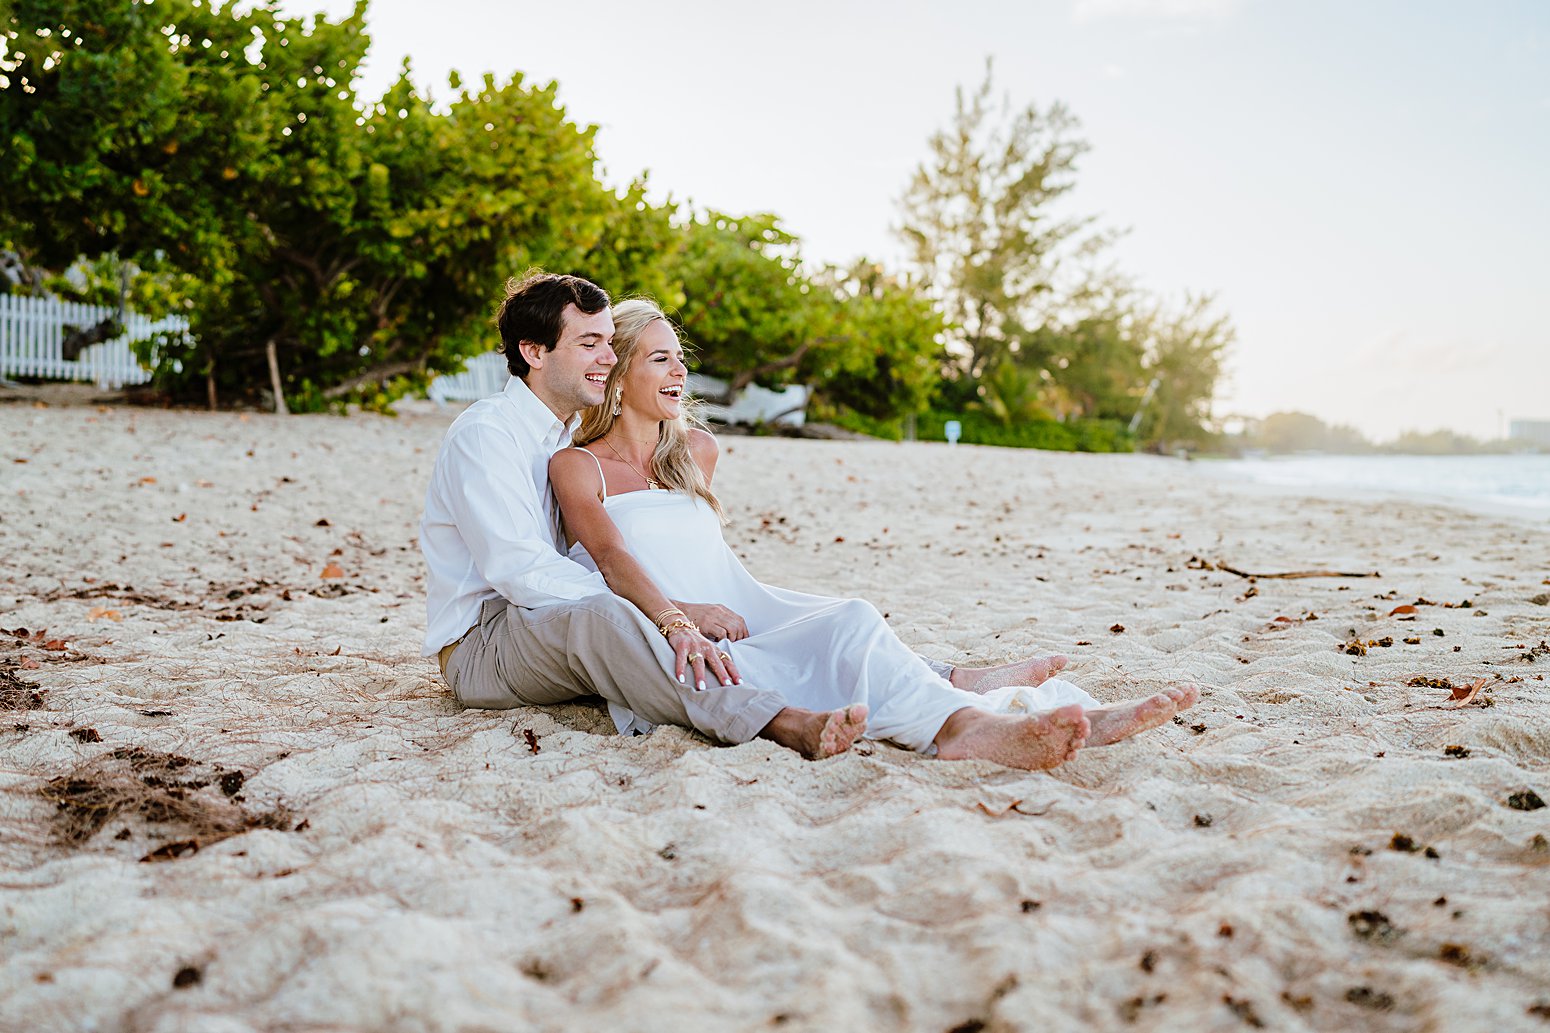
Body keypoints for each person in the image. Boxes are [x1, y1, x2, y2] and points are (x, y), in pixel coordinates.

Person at [421, 272, 1087, 764]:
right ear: (535, 353)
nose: (603, 355)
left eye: (606, 343)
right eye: (589, 343)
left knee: (829, 614)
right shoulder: (491, 436)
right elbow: (527, 574)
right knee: (612, 616)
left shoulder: (559, 434)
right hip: (486, 642)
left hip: (546, 619)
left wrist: (675, 608)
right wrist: (674, 611)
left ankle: (949, 696)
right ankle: (777, 720)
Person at [547, 297, 1199, 769]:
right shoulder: (578, 468)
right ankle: (968, 725)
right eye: (660, 359)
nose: (679, 373)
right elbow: (606, 557)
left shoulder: (697, 452)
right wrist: (680, 616)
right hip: (671, 635)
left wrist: (718, 608)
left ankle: (1022, 712)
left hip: (745, 612)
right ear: (620, 370)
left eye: (681, 358)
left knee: (853, 620)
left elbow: (707, 556)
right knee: (814, 661)